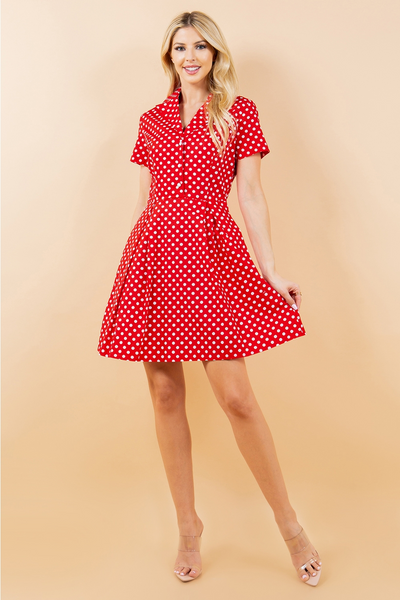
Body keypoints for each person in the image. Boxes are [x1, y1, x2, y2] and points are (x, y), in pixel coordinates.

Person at [97, 10, 322, 586]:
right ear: (169, 57)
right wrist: (131, 272)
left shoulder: (238, 114)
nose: (190, 56)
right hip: (152, 260)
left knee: (237, 398)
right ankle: (189, 529)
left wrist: (270, 269)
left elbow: (251, 194)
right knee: (166, 394)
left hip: (211, 261)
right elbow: (144, 203)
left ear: (215, 54)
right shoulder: (151, 121)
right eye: (179, 47)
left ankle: (291, 526)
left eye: (200, 46)